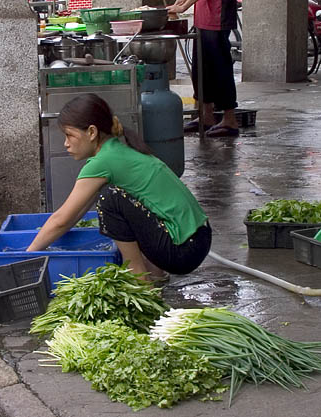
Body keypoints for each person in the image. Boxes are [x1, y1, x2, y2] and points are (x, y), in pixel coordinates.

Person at [26, 94, 212, 283]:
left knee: (110, 199)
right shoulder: (117, 150)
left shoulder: (103, 162)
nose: (66, 143)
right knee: (121, 200)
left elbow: (61, 221)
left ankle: (139, 278)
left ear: (91, 132)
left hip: (182, 251)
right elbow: (76, 213)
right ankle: (156, 274)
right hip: (198, 239)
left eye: (69, 135)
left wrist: (27, 255)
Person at [168, 0, 239, 137]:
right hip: (203, 14)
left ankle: (230, 119)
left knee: (220, 67)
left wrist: (183, 7)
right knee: (201, 67)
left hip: (218, 14)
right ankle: (206, 115)